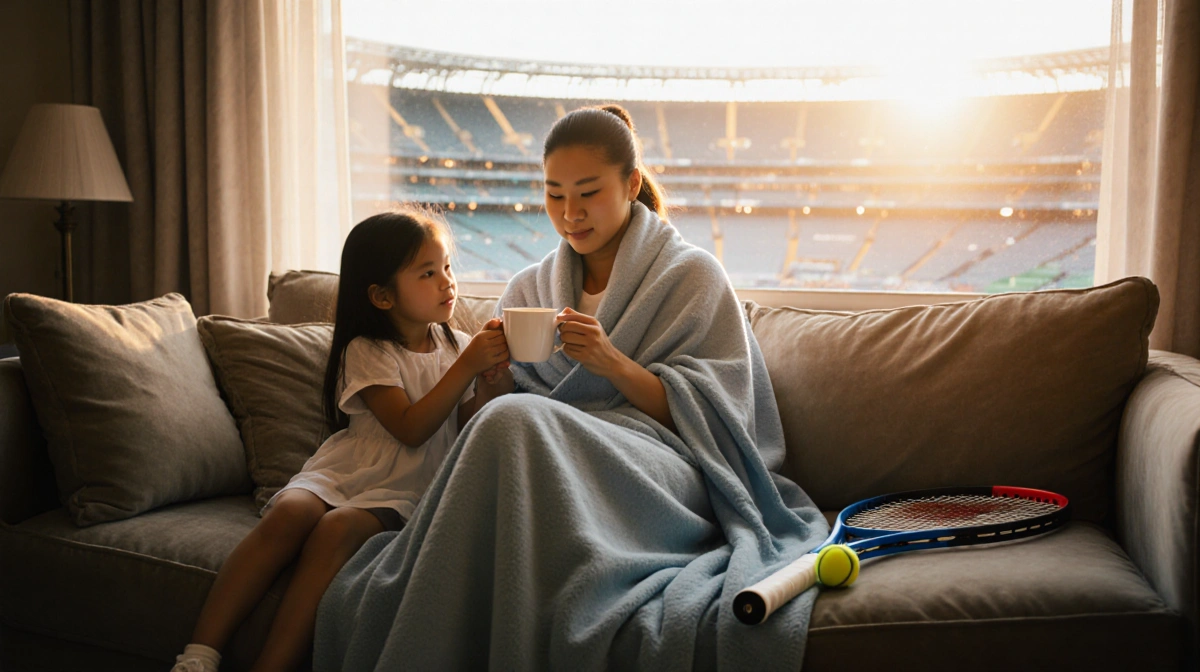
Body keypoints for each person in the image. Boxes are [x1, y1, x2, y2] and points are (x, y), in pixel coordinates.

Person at [314, 105, 824, 671]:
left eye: (587, 193)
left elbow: (719, 416)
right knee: (504, 419)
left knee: (512, 422)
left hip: (665, 466)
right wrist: (493, 378)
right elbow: (500, 409)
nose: (569, 213)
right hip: (548, 452)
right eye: (554, 195)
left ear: (631, 184)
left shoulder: (691, 275)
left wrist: (612, 363)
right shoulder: (529, 286)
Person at [171, 206, 514, 672]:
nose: (447, 282)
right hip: (352, 468)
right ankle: (198, 654)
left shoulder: (454, 344)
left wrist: (492, 383)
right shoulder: (368, 350)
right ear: (381, 296)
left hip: (412, 485)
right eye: (428, 273)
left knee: (337, 529)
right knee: (289, 513)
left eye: (448, 267)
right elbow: (409, 426)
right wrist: (468, 367)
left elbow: (465, 423)